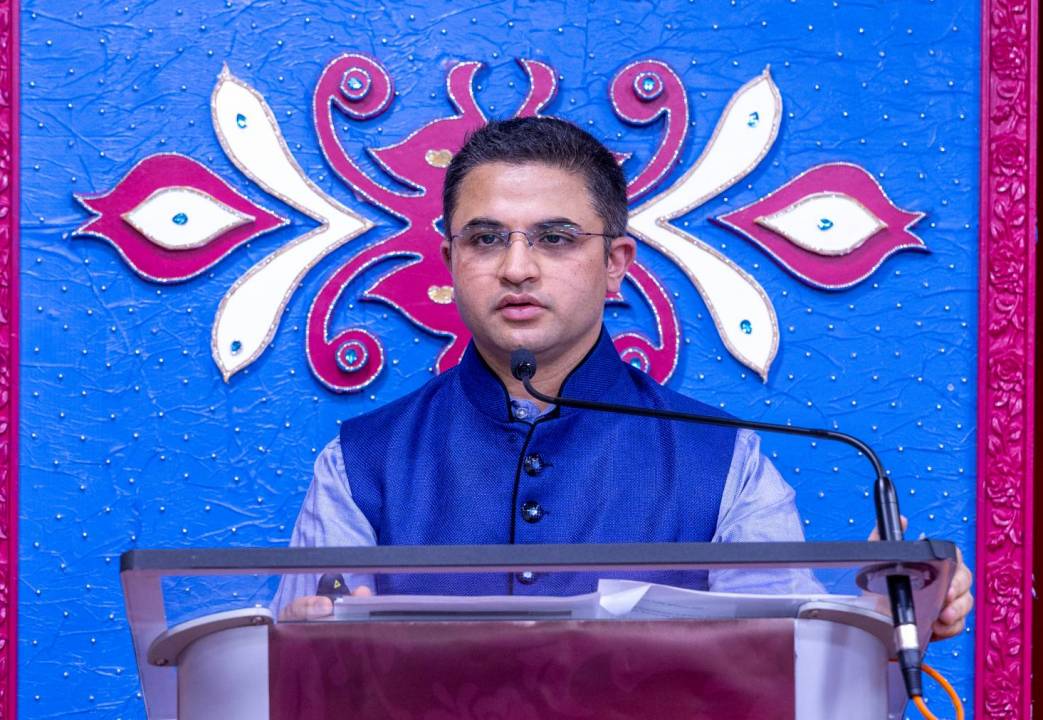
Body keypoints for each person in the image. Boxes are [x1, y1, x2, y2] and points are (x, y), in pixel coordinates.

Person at [274, 117, 972, 640]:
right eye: (486, 239)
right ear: (451, 259)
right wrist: (305, 653)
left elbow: (786, 669)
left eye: (554, 239)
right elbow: (295, 677)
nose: (516, 268)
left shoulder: (723, 462)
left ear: (615, 264)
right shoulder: (359, 464)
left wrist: (873, 628)